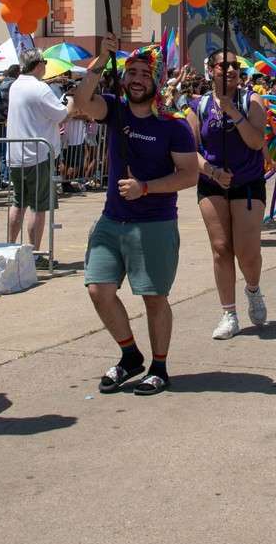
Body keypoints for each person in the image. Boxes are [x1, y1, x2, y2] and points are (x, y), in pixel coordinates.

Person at [72, 38, 198, 397]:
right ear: (124, 79)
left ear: (156, 81)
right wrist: (102, 60)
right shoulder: (115, 110)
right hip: (112, 221)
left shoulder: (173, 125)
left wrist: (146, 188)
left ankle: (159, 366)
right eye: (132, 73)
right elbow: (82, 102)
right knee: (98, 289)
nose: (138, 79)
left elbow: (188, 174)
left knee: (153, 297)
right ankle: (130, 355)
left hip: (154, 223)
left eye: (145, 73)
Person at [188, 48, 270, 340]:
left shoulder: (252, 101)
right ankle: (229, 313)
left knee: (248, 253)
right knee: (221, 247)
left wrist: (232, 110)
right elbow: (190, 152)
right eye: (223, 66)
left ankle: (253, 289)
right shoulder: (197, 106)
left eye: (235, 65)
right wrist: (211, 171)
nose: (231, 70)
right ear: (211, 70)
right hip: (212, 183)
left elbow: (257, 141)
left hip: (247, 183)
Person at [4, 50, 69, 257]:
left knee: (18, 202)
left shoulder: (17, 85)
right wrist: (72, 103)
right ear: (39, 64)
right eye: (45, 62)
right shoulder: (39, 88)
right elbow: (61, 114)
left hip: (16, 153)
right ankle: (34, 254)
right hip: (37, 154)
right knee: (38, 206)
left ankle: (10, 248)